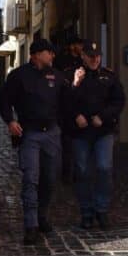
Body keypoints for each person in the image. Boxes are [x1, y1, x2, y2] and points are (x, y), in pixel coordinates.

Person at [0, 38, 71, 245]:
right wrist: (10, 121)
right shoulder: (18, 76)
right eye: (49, 52)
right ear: (36, 54)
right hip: (29, 134)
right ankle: (31, 225)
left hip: (52, 134)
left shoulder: (57, 76)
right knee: (31, 179)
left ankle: (42, 215)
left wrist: (75, 84)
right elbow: (4, 101)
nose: (52, 55)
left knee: (49, 178)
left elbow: (68, 102)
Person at [68, 40, 125, 230]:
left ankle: (101, 210)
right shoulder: (73, 75)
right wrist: (76, 112)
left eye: (97, 56)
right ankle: (86, 212)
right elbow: (63, 101)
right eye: (91, 56)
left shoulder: (109, 76)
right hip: (81, 132)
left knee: (104, 168)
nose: (95, 60)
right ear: (83, 56)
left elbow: (119, 101)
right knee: (82, 171)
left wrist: (103, 116)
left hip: (103, 131)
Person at [54, 35, 83, 184]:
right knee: (67, 144)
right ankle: (66, 174)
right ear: (72, 46)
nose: (80, 47)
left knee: (78, 143)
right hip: (65, 108)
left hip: (80, 105)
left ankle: (78, 173)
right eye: (78, 44)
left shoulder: (82, 61)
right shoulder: (62, 61)